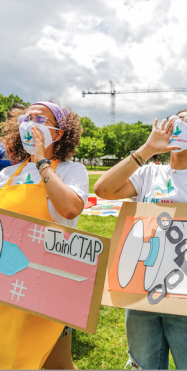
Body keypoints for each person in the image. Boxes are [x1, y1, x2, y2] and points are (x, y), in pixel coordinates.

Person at [94, 109, 187, 369]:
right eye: (174, 119)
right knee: (143, 365)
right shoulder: (148, 174)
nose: (179, 123)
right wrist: (147, 149)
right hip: (142, 293)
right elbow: (103, 189)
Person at [0, 101, 89, 370]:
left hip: (49, 281)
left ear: (59, 133)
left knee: (57, 363)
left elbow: (70, 208)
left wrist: (41, 161)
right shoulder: (6, 174)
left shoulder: (72, 171)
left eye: (39, 119)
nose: (30, 123)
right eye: (26, 118)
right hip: (8, 278)